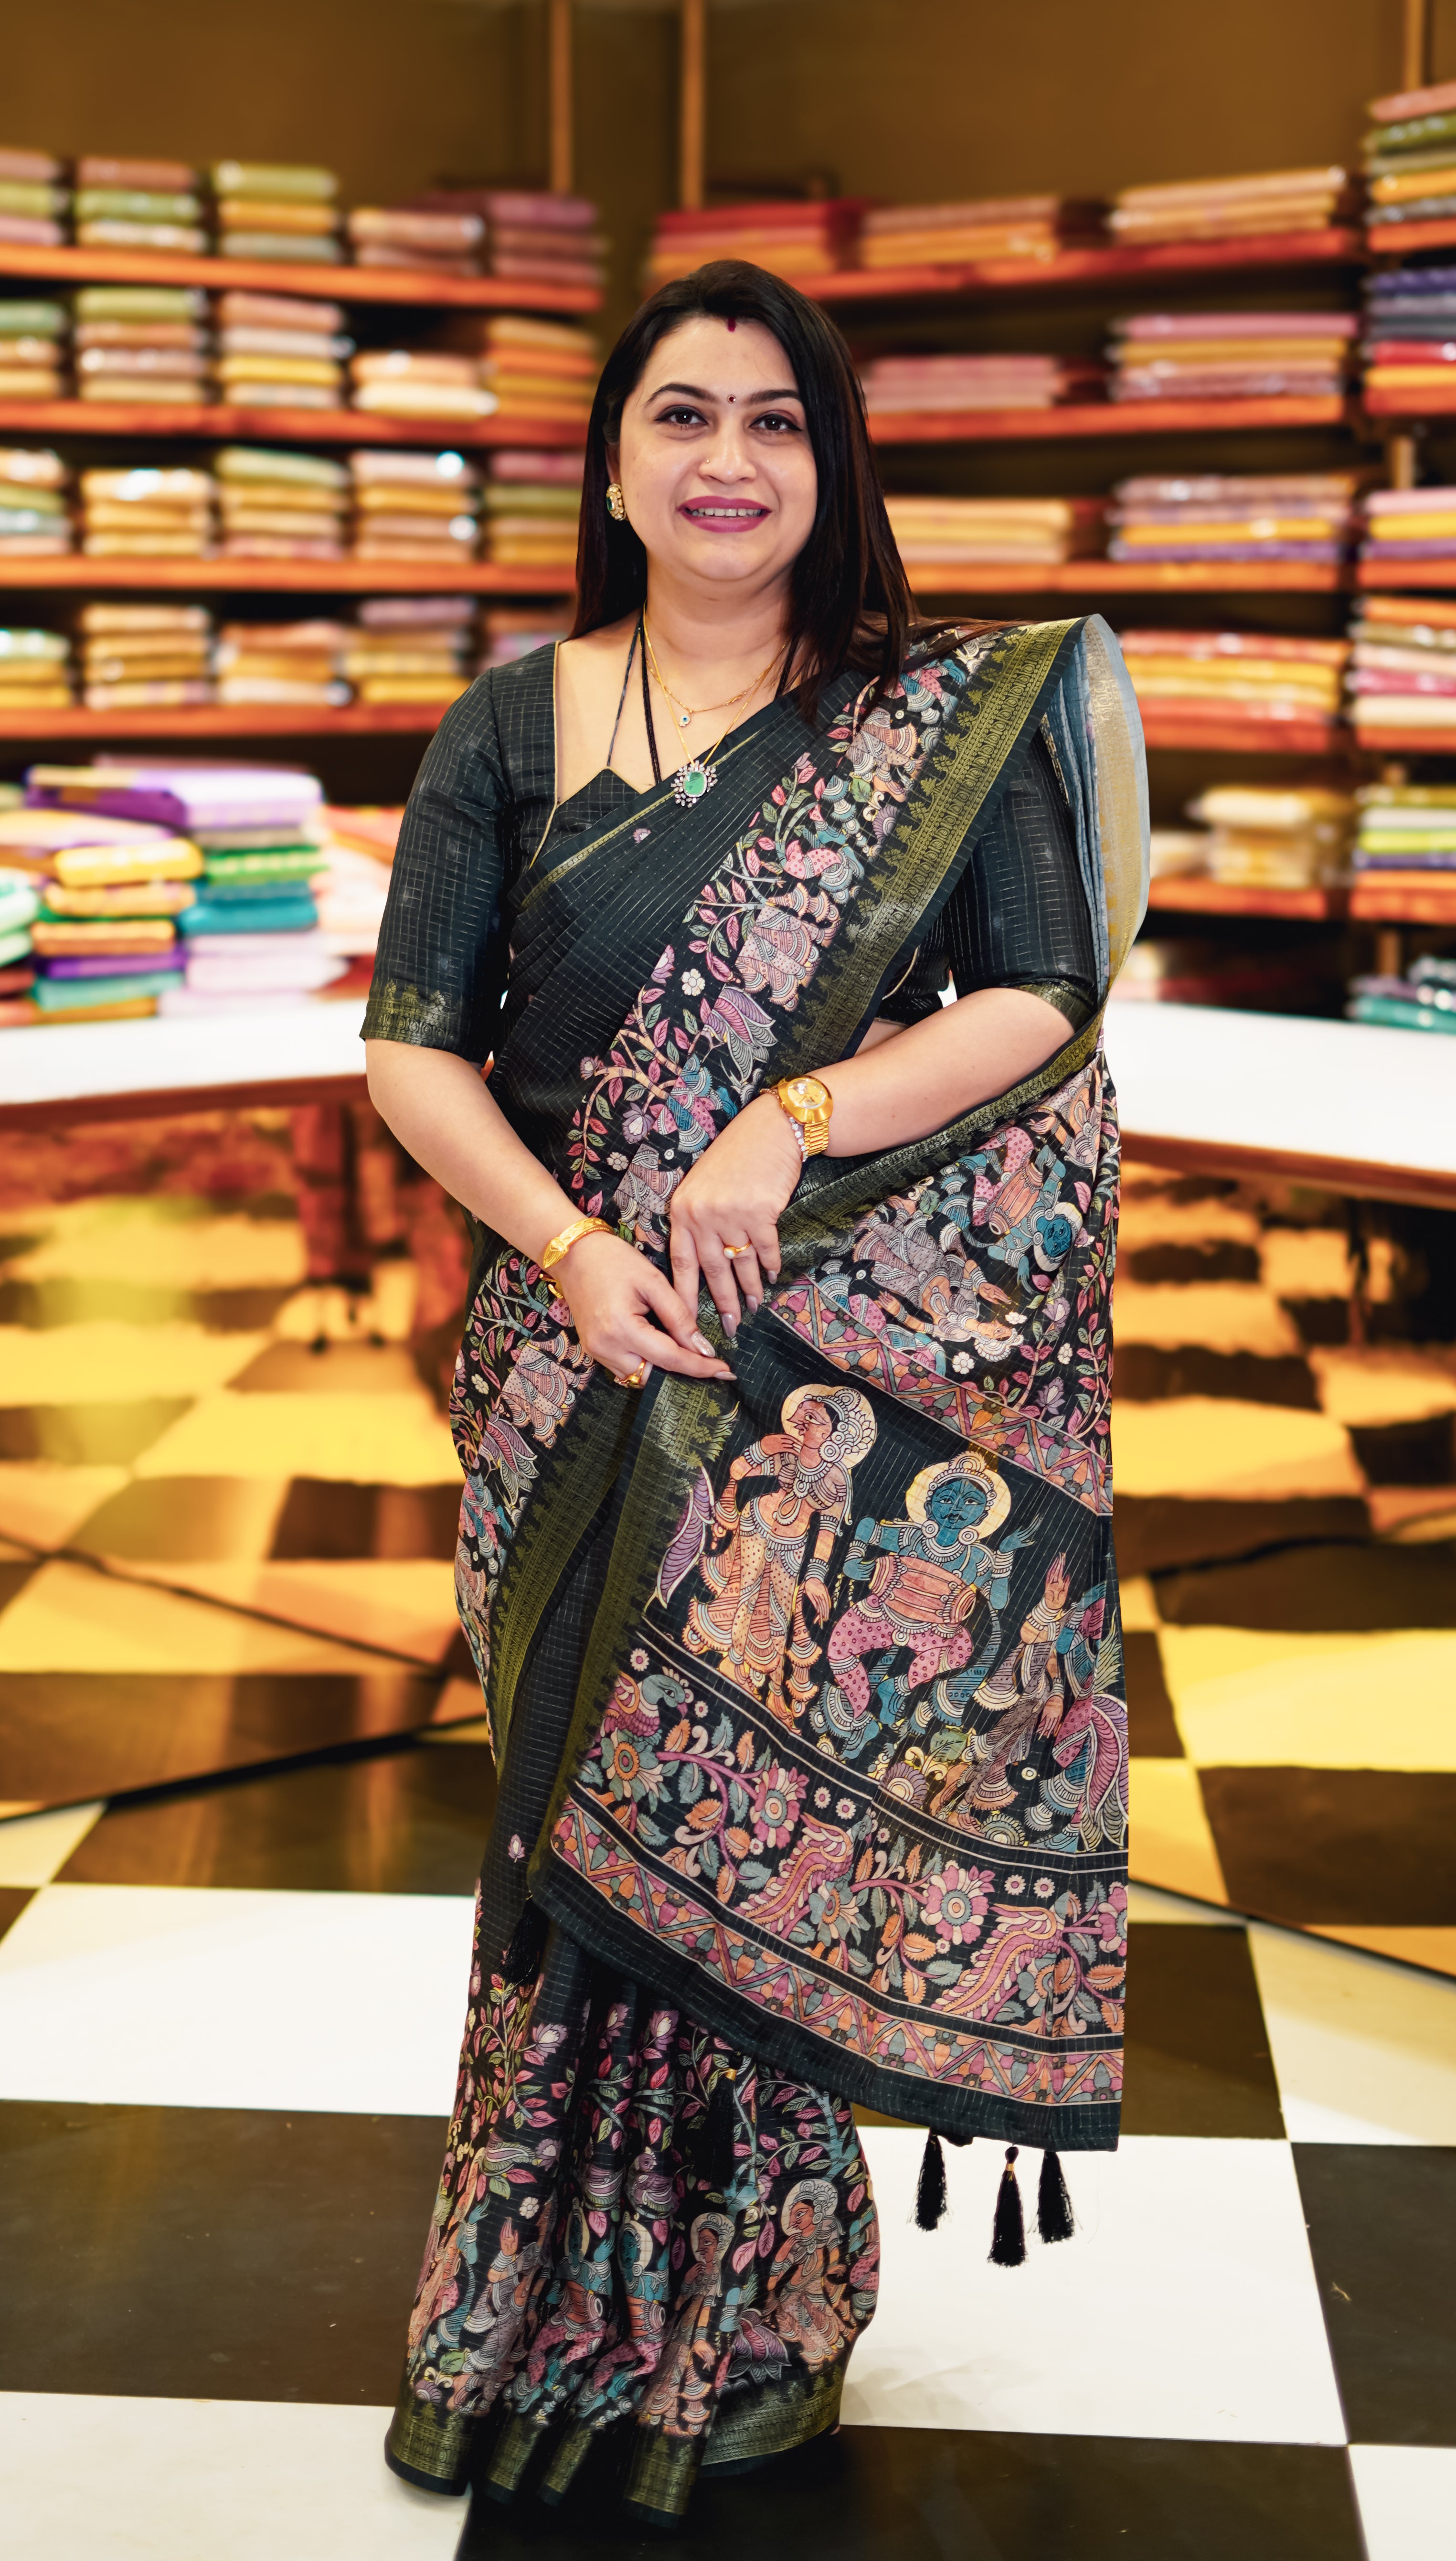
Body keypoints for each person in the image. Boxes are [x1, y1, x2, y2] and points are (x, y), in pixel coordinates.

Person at [364, 257, 1147, 2528]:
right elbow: (412, 1049)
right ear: (612, 466)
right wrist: (572, 1248)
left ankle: (746, 2321)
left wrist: (783, 1124)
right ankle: (530, 2307)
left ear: (831, 464)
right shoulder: (509, 725)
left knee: (750, 1862)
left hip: (805, 1381)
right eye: (682, 416)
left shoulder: (928, 720)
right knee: (565, 1836)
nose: (727, 460)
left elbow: (1037, 1001)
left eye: (775, 420)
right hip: (567, 1357)